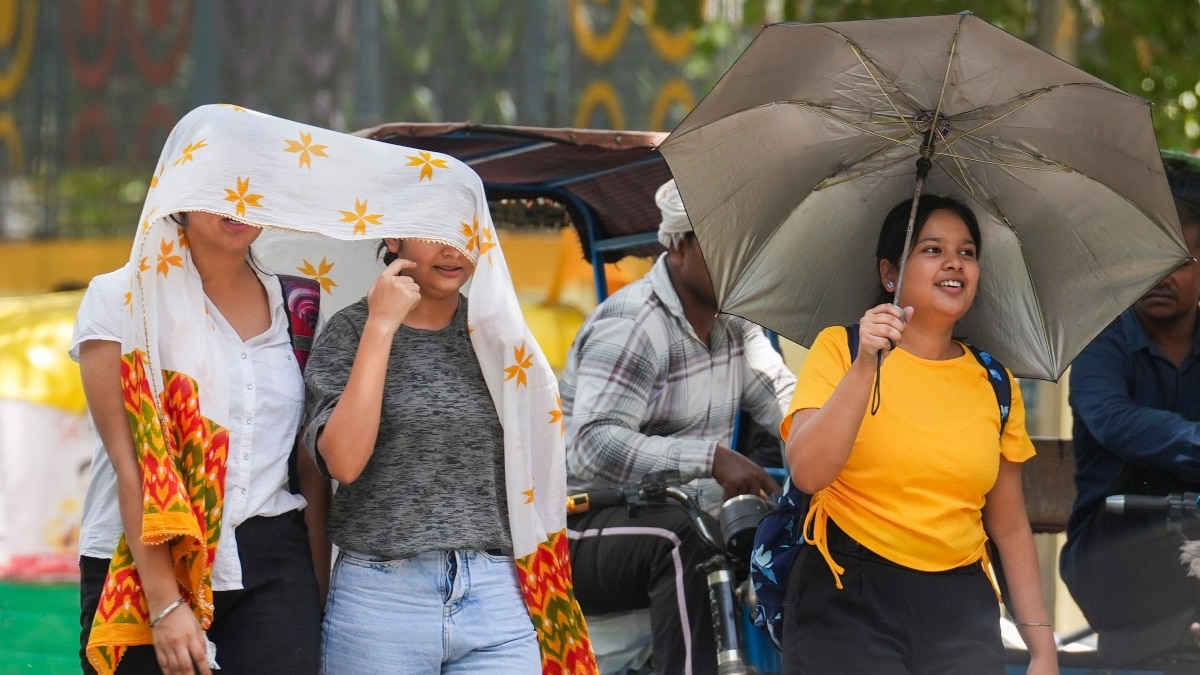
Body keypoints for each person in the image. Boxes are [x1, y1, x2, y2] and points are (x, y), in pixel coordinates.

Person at [298, 164, 594, 671]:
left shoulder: (500, 338)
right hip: (381, 600)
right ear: (392, 235)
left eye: (464, 229)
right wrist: (381, 327)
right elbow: (342, 462)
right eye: (434, 229)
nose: (453, 248)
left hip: (497, 594)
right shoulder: (350, 333)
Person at [780, 195, 1057, 674]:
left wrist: (1043, 651)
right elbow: (807, 471)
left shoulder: (995, 382)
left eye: (967, 252)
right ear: (889, 275)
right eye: (932, 249)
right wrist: (868, 363)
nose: (954, 262)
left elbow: (1009, 526)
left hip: (961, 605)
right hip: (850, 594)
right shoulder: (842, 349)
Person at [559, 178, 795, 675]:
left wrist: (830, 439)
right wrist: (710, 459)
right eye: (721, 244)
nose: (736, 260)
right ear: (678, 244)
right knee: (681, 537)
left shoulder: (737, 325)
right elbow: (589, 445)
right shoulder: (634, 324)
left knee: (796, 531)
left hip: (679, 522)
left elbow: (784, 400)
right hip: (576, 527)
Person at [77, 212, 329, 674]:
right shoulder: (123, 297)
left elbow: (306, 459)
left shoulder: (298, 302)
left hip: (272, 560)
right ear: (182, 195)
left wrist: (317, 589)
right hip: (145, 552)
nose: (239, 206)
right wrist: (166, 605)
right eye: (220, 188)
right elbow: (133, 462)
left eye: (252, 190)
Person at [1060, 151, 1200, 665]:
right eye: (1149, 258)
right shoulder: (1103, 340)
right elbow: (1114, 421)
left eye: (1181, 261)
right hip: (1117, 559)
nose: (1162, 276)